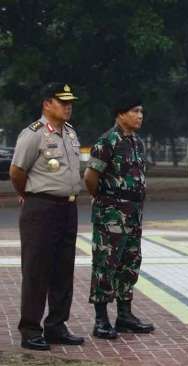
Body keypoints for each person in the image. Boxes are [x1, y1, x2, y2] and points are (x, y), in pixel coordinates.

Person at [9, 82, 84, 350]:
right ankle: (30, 329)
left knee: (63, 269)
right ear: (46, 104)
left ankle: (56, 326)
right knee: (36, 270)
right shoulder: (34, 134)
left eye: (70, 102)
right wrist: (29, 195)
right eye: (62, 102)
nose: (68, 106)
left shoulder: (71, 134)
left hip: (68, 208)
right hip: (41, 208)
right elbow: (17, 172)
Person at [84, 96, 155, 338]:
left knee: (130, 262)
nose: (140, 116)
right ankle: (101, 320)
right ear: (121, 114)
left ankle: (125, 315)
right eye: (135, 111)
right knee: (106, 264)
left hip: (134, 213)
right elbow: (90, 177)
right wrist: (104, 200)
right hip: (111, 214)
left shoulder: (137, 142)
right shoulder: (107, 141)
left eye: (141, 111)